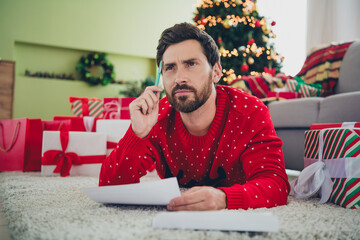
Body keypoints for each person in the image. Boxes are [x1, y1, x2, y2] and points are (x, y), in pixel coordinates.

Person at [99, 22, 290, 211]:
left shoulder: (250, 112)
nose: (179, 78)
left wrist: (225, 198)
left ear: (215, 72)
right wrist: (137, 134)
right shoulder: (156, 117)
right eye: (170, 68)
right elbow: (110, 188)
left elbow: (276, 184)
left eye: (191, 64)